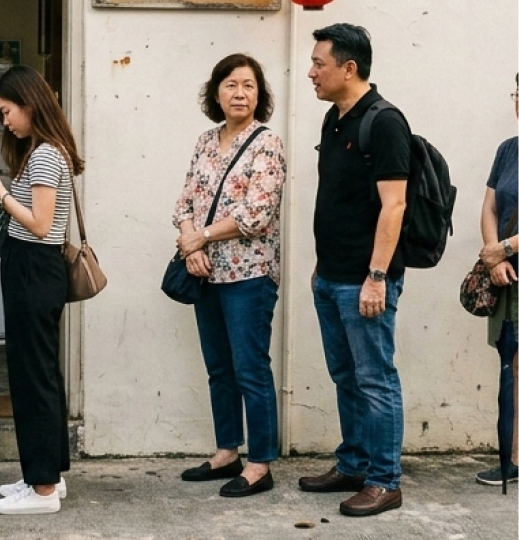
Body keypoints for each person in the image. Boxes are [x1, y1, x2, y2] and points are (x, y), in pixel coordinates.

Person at [297, 23, 411, 517]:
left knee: (375, 378)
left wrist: (377, 277)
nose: (311, 72)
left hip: (366, 280)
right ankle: (354, 463)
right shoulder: (334, 119)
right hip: (331, 276)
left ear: (349, 67)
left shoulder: (384, 122)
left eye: (319, 63)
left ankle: (385, 481)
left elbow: (394, 205)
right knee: (346, 376)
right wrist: (322, 269)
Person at [0, 65, 83, 515]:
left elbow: (39, 225)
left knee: (32, 378)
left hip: (34, 269)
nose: (5, 121)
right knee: (41, 374)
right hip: (35, 270)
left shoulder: (45, 155)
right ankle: (46, 474)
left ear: (29, 103)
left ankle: (43, 490)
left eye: (8, 110)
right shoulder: (45, 151)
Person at [172, 54, 286, 498]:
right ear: (215, 92)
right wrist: (190, 241)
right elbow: (184, 202)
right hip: (204, 272)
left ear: (260, 95)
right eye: (231, 85)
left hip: (249, 274)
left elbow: (256, 213)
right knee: (219, 367)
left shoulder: (267, 143)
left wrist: (200, 237)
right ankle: (227, 451)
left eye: (249, 86)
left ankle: (260, 463)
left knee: (250, 368)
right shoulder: (204, 141)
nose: (240, 93)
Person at [475, 74, 518, 486]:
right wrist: (493, 256)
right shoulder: (508, 150)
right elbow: (489, 206)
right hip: (508, 274)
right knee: (513, 363)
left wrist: (505, 248)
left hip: (512, 260)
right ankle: (514, 457)